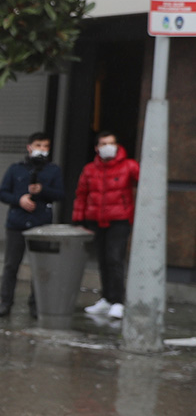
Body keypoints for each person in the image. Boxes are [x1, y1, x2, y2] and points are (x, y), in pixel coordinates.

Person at [0, 132, 63, 318]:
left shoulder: (53, 171)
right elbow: (2, 193)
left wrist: (43, 190)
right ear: (29, 147)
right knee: (11, 265)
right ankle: (5, 302)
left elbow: (60, 194)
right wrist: (20, 199)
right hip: (17, 223)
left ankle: (36, 305)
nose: (42, 149)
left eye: (46, 146)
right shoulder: (16, 169)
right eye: (38, 145)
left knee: (40, 267)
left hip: (41, 225)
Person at [73, 131, 139, 320]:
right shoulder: (90, 170)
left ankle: (118, 301)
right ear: (97, 148)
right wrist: (78, 219)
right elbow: (81, 195)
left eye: (111, 143)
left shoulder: (129, 166)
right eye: (103, 143)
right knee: (102, 259)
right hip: (96, 219)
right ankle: (106, 298)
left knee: (114, 258)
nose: (108, 146)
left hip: (119, 219)